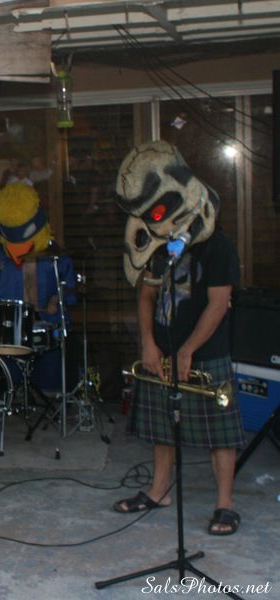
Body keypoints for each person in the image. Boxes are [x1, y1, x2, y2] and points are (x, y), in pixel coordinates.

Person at [111, 140, 244, 536]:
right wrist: (148, 343)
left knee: (220, 435)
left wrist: (188, 350)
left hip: (206, 351)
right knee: (162, 428)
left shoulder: (218, 246)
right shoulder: (158, 246)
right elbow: (146, 295)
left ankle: (225, 505)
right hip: (163, 349)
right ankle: (158, 491)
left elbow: (218, 305)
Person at [0, 183, 77, 394]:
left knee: (51, 386)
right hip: (8, 333)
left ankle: (50, 392)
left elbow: (69, 291)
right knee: (7, 385)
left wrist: (57, 300)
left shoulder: (56, 258)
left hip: (47, 332)